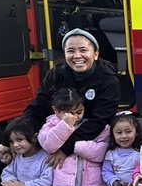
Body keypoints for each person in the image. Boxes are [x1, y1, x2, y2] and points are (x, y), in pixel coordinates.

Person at [21, 29, 121, 170]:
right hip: (56, 136)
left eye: (83, 50)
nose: (77, 56)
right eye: (71, 51)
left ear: (96, 54)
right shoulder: (56, 74)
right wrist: (17, 136)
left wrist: (66, 148)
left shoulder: (108, 79)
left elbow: (100, 119)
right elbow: (38, 107)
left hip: (90, 142)